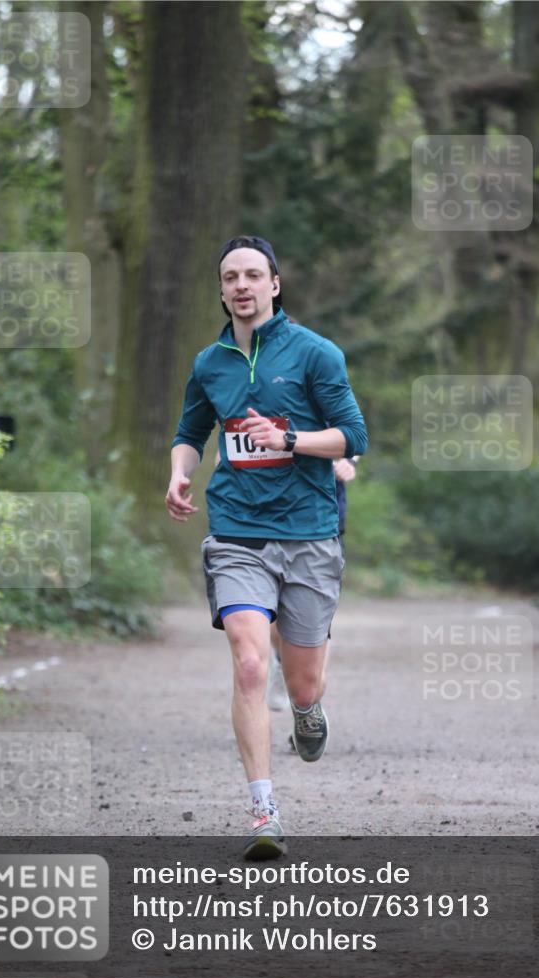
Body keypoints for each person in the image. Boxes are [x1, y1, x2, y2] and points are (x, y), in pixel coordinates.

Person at [166, 235, 368, 860]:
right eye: (231, 277)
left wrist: (290, 440)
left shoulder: (315, 353)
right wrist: (178, 472)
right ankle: (263, 811)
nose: (242, 286)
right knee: (252, 664)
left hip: (308, 533)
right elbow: (190, 431)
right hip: (236, 532)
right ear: (221, 289)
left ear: (274, 285)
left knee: (303, 685)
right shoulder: (210, 363)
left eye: (253, 275)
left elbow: (353, 435)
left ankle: (307, 712)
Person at [267, 455, 359, 714]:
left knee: (315, 619)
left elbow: (353, 435)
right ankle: (281, 661)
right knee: (272, 614)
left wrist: (349, 461)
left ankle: (309, 705)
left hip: (323, 519)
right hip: (268, 515)